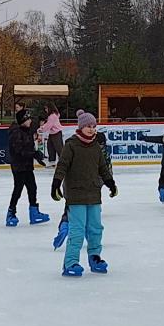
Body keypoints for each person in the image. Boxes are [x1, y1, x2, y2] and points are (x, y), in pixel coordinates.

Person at [55, 112, 117, 275]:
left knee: (96, 228)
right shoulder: (71, 145)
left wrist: (110, 183)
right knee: (77, 230)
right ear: (81, 127)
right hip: (76, 195)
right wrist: (56, 184)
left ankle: (95, 257)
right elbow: (62, 166)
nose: (92, 129)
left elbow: (102, 168)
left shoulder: (96, 146)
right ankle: (70, 263)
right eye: (88, 126)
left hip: (93, 194)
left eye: (94, 126)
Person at [7, 108, 52, 226]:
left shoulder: (27, 130)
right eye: (28, 119)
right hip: (18, 166)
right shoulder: (16, 133)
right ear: (23, 121)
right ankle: (11, 213)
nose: (30, 121)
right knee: (18, 189)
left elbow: (29, 147)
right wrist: (34, 154)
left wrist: (37, 157)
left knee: (32, 187)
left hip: (27, 165)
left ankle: (34, 212)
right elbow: (19, 151)